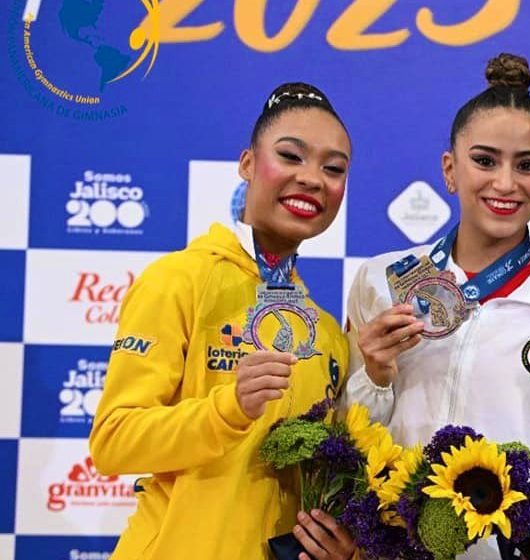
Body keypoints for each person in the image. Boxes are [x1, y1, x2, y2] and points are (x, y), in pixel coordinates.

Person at [343, 53, 530, 559]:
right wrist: (375, 375)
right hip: (390, 547)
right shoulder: (381, 281)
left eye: (527, 165)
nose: (505, 184)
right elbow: (349, 432)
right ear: (450, 169)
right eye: (484, 160)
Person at [90, 82, 356, 560]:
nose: (313, 178)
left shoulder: (327, 332)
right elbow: (113, 442)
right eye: (291, 156)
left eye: (333, 168)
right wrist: (227, 408)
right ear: (248, 164)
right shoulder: (179, 281)